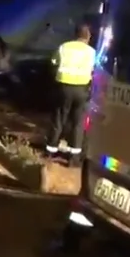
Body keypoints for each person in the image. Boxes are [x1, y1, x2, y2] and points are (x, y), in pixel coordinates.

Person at [46, 23, 96, 164]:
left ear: (75, 34)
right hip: (82, 90)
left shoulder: (64, 47)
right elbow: (95, 70)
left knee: (58, 119)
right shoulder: (92, 52)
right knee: (78, 123)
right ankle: (74, 158)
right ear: (88, 37)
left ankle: (50, 152)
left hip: (64, 88)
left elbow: (53, 62)